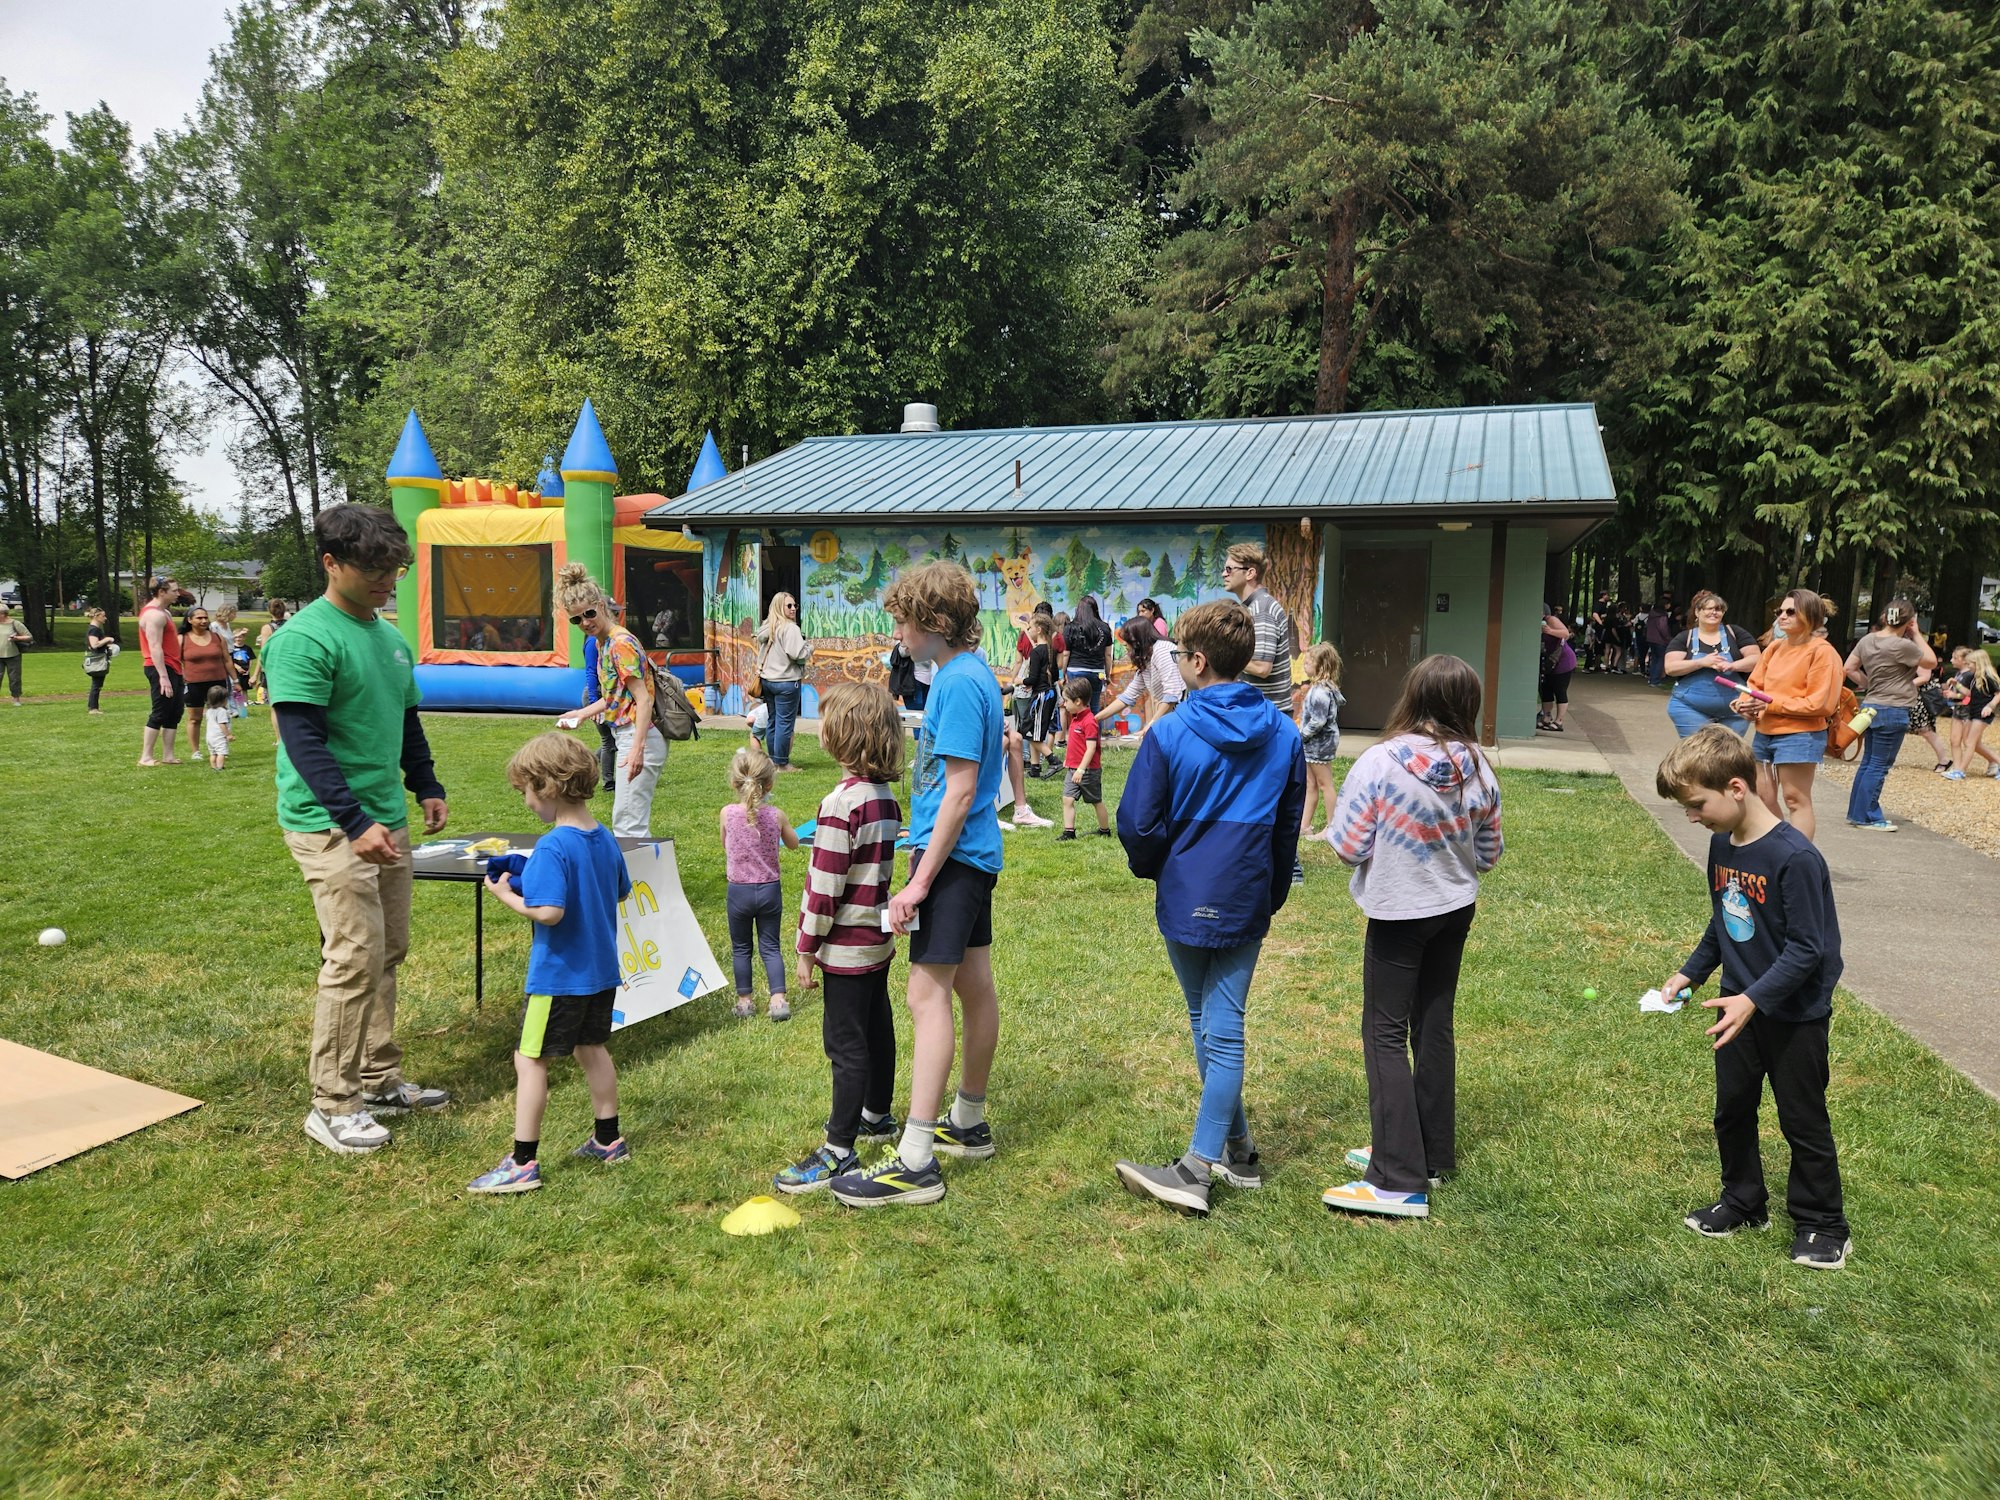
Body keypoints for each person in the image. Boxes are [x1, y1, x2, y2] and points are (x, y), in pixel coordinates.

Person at [264, 504, 451, 1155]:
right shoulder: (304, 639)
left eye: (393, 570)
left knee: (387, 949)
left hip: (384, 820)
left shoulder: (389, 638)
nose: (386, 582)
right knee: (354, 956)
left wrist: (425, 783)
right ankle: (333, 1104)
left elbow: (405, 720)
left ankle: (376, 1078)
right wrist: (354, 821)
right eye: (373, 570)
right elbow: (303, 743)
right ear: (330, 562)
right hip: (329, 825)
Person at [1111, 599, 1305, 1216]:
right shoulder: (1284, 732)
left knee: (1216, 1027)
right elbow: (1288, 828)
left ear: (1197, 661)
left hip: (1187, 890)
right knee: (1214, 1025)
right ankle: (1239, 1152)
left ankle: (1195, 1169)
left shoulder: (1168, 732)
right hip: (1246, 889)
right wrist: (1271, 890)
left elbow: (1137, 824)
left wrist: (1161, 868)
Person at [831, 561, 1003, 1208]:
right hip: (970, 856)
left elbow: (959, 792)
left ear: (933, 622)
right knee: (974, 986)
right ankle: (968, 1121)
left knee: (925, 996)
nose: (898, 634)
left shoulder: (956, 683)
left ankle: (916, 1159)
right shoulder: (973, 674)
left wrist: (918, 883)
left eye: (903, 622)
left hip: (951, 861)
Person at [1654, 727, 1851, 1270]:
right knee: (1733, 1109)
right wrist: (1691, 973)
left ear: (1737, 788)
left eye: (1697, 805)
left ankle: (1823, 1223)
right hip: (1737, 1004)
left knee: (1802, 1120)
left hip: (1794, 1013)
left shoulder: (1795, 858)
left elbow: (1808, 949)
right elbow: (1724, 921)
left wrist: (1753, 1000)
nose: (1691, 817)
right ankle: (1744, 1202)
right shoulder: (1723, 844)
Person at [1322, 655, 1504, 1221]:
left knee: (1383, 1034)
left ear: (1413, 696)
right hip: (1455, 909)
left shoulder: (1379, 763)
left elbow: (1348, 845)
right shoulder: (1479, 767)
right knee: (1433, 1024)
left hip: (1400, 913)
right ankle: (1431, 1154)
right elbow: (1489, 853)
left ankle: (1397, 1178)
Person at [468, 733, 632, 1194]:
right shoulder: (604, 837)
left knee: (529, 1059)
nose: (525, 800)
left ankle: (522, 1163)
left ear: (548, 787)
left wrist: (504, 894)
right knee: (591, 1048)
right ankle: (608, 1140)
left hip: (558, 978)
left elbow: (549, 912)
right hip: (601, 973)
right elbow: (619, 891)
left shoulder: (552, 846)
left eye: (525, 790)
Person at [776, 683, 906, 1193]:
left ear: (842, 736)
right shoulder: (885, 799)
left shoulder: (840, 805)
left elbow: (824, 888)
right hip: (877, 941)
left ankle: (838, 1150)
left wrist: (806, 949)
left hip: (846, 948)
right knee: (877, 1028)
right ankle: (876, 1114)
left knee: (845, 1043)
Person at [559, 564, 664, 838]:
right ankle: (642, 868)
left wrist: (637, 749)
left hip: (638, 735)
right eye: (576, 619)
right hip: (627, 735)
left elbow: (643, 700)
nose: (585, 622)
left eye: (589, 613)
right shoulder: (601, 642)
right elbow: (613, 697)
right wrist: (582, 713)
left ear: (601, 606)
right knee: (628, 821)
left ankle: (641, 869)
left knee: (629, 825)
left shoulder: (619, 643)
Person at [1736, 589, 1843, 843]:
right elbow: (1754, 686)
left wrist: (1767, 705)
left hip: (1801, 736)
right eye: (1779, 611)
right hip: (1765, 732)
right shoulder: (1774, 648)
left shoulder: (1822, 652)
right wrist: (1743, 703)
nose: (1782, 616)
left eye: (1791, 612)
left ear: (1810, 615)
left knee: (1795, 799)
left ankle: (1798, 854)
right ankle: (1779, 846)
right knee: (1762, 797)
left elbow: (1820, 704)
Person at [721, 742, 801, 1021]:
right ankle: (778, 1000)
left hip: (738, 890)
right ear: (769, 784)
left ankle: (745, 1001)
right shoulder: (776, 815)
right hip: (769, 889)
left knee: (741, 948)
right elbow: (794, 843)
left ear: (735, 782)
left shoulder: (727, 813)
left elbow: (725, 844)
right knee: (770, 946)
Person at [1841, 598, 1935, 828]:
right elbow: (1931, 662)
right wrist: (1916, 633)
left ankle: (1857, 812)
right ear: (1910, 620)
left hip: (1870, 707)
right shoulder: (1902, 645)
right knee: (1879, 766)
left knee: (1868, 763)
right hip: (1893, 709)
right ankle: (1868, 816)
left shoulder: (1867, 639)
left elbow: (1848, 668)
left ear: (1885, 617)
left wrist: (1870, 684)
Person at [1664, 590, 1760, 738]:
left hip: (1735, 709)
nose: (1714, 612)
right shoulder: (1684, 637)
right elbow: (1670, 668)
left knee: (1729, 750)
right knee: (1699, 750)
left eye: (1718, 609)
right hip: (1689, 708)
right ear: (1697, 612)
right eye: (1708, 609)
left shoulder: (1736, 633)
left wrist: (1732, 666)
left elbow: (1757, 659)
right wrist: (1701, 662)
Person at [1223, 544, 1296, 711]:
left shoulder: (1262, 609)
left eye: (1229, 569)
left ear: (1250, 573)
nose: (1224, 574)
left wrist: (1222, 657)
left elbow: (1261, 668)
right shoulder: (1254, 607)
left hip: (1268, 714)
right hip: (1261, 711)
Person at [753, 592, 813, 771]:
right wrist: (809, 648)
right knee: (784, 723)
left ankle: (773, 761)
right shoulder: (790, 628)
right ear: (779, 607)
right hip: (786, 681)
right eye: (789, 606)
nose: (793, 609)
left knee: (773, 721)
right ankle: (782, 763)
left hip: (768, 681)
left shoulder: (768, 627)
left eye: (795, 605)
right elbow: (797, 654)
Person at [1099, 616, 1182, 734]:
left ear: (1136, 641)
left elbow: (1172, 696)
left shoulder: (1162, 651)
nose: (1125, 646)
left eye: (1127, 643)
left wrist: (1151, 724)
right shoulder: (1147, 658)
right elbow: (1127, 697)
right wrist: (1096, 718)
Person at [136, 577, 187, 765]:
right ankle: (146, 757)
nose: (178, 593)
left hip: (173, 667)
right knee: (160, 711)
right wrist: (163, 677)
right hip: (160, 667)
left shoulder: (164, 612)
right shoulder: (153, 615)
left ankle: (168, 756)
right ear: (161, 592)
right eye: (174, 590)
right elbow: (154, 647)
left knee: (175, 711)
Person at [1296, 642, 1345, 836]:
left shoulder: (1320, 693)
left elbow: (1318, 721)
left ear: (1321, 667)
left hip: (1319, 745)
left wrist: (1301, 735)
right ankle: (1304, 826)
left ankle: (1332, 827)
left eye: (1308, 662)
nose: (1304, 665)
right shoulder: (1318, 689)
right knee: (1311, 784)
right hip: (1313, 745)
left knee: (1325, 784)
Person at [1055, 677, 1109, 842]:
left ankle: (1104, 830)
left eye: (1066, 701)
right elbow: (1075, 745)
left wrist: (1081, 769)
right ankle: (1069, 832)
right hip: (1073, 769)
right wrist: (1069, 761)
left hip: (1088, 771)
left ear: (1078, 701)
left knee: (1096, 801)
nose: (1064, 704)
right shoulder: (1075, 718)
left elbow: (1091, 749)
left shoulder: (1089, 721)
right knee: (1067, 799)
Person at [579, 601, 623, 793]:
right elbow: (590, 672)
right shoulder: (592, 641)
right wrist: (594, 703)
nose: (617, 617)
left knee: (612, 740)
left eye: (617, 613)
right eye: (614, 613)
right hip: (596, 695)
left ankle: (584, 765)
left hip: (606, 694)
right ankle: (608, 782)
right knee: (609, 741)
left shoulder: (610, 639)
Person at [178, 608, 232, 763]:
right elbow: (176, 662)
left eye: (205, 618)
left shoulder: (217, 637)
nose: (203, 621)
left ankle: (220, 748)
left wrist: (235, 681)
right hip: (194, 683)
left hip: (217, 682)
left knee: (219, 716)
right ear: (190, 620)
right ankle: (196, 751)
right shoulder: (182, 639)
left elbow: (227, 660)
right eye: (199, 618)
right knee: (195, 718)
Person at [1943, 646, 2000, 780]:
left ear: (1977, 663)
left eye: (1970, 664)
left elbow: (1998, 694)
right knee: (1975, 744)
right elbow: (1969, 693)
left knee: (1970, 742)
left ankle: (1960, 771)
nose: (1968, 666)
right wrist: (1956, 685)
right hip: (1973, 712)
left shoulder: (1988, 677)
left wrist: (1990, 706)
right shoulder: (1975, 678)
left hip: (1982, 713)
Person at [1015, 614, 1059, 776]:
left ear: (1038, 630)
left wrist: (1020, 681)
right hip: (1049, 694)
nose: (1029, 630)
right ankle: (1035, 768)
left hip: (1041, 696)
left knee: (1028, 731)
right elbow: (1055, 676)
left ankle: (1054, 760)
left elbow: (1032, 679)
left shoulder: (1036, 652)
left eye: (1030, 628)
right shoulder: (1051, 650)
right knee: (1035, 732)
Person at [1060, 596, 1114, 713]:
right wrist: (1107, 675)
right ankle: (1094, 725)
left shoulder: (1070, 627)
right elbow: (1108, 655)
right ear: (1095, 609)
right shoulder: (1105, 628)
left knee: (1076, 707)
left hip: (1075, 671)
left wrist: (1063, 674)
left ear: (1078, 610)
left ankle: (1078, 726)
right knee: (1094, 707)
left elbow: (1066, 654)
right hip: (1097, 672)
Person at [1537, 608, 1575, 732]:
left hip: (1562, 660)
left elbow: (1565, 634)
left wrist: (1550, 631)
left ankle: (1559, 721)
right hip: (1548, 662)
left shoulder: (1550, 620)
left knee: (1560, 690)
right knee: (1546, 689)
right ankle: (1546, 717)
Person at [252, 599, 287, 704]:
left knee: (274, 701)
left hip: (274, 668)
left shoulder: (268, 628)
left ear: (269, 610)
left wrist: (255, 675)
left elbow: (264, 652)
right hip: (289, 666)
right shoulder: (291, 625)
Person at [82, 608, 115, 713]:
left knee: (97, 684)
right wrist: (107, 639)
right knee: (96, 684)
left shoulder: (94, 629)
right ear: (96, 616)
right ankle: (93, 708)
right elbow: (94, 645)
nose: (105, 618)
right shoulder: (94, 629)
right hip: (97, 660)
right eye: (103, 616)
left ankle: (92, 706)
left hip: (97, 659)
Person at [0, 603, 30, 706]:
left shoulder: (15, 623)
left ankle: (16, 699)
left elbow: (28, 636)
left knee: (14, 678)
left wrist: (16, 638)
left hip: (13, 655)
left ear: (3, 614)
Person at [1642, 596, 1676, 685]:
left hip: (1651, 639)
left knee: (1654, 659)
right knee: (1660, 659)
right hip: (1660, 640)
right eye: (1668, 604)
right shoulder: (1662, 615)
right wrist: (1668, 638)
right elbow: (1663, 628)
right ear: (1665, 605)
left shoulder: (1652, 614)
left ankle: (1652, 679)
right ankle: (1655, 680)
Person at [202, 684, 234, 770]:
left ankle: (213, 767)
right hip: (219, 736)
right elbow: (222, 724)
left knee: (213, 753)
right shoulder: (222, 711)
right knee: (221, 753)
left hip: (210, 737)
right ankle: (220, 767)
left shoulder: (209, 711)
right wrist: (228, 735)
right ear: (222, 700)